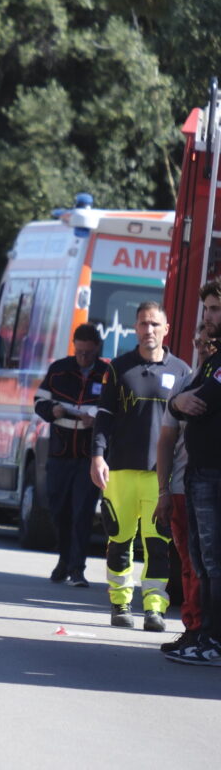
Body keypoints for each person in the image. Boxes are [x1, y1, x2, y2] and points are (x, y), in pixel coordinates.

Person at [91, 301, 190, 631]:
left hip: (160, 475)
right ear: (135, 329)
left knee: (157, 544)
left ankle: (154, 608)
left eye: (154, 325)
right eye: (143, 325)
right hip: (119, 471)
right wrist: (97, 456)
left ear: (166, 329)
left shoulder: (182, 372)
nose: (148, 330)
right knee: (119, 540)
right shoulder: (118, 368)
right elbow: (103, 417)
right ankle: (120, 603)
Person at [163, 279, 221, 665]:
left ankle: (214, 640)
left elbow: (199, 401)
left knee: (215, 561)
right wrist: (177, 401)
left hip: (215, 474)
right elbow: (181, 401)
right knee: (201, 561)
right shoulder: (213, 360)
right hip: (198, 473)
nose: (209, 317)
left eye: (216, 309)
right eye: (207, 310)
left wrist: (181, 402)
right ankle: (201, 633)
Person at [154, 324, 214, 655]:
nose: (204, 348)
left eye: (210, 344)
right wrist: (162, 491)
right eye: (199, 343)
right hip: (181, 487)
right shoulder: (183, 387)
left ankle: (205, 630)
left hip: (208, 483)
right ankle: (193, 628)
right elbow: (165, 441)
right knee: (191, 564)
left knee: (206, 564)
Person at [34, 323, 108, 587]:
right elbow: (38, 402)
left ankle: (77, 568)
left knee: (82, 513)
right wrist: (51, 409)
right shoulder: (59, 370)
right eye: (79, 352)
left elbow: (114, 410)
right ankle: (64, 559)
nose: (84, 358)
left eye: (89, 353)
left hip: (89, 456)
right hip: (60, 453)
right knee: (58, 510)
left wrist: (96, 420)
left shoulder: (107, 373)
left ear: (97, 349)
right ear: (74, 347)